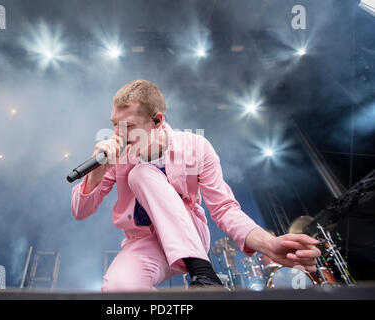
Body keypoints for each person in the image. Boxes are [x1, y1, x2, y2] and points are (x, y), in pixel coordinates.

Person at [71, 80, 321, 291]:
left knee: (141, 174)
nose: (119, 133)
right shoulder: (116, 154)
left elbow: (224, 209)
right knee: (117, 291)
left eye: (129, 126)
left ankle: (203, 273)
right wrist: (97, 173)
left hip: (190, 236)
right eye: (115, 123)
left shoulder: (196, 147)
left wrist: (269, 245)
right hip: (143, 242)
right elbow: (80, 212)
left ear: (157, 121)